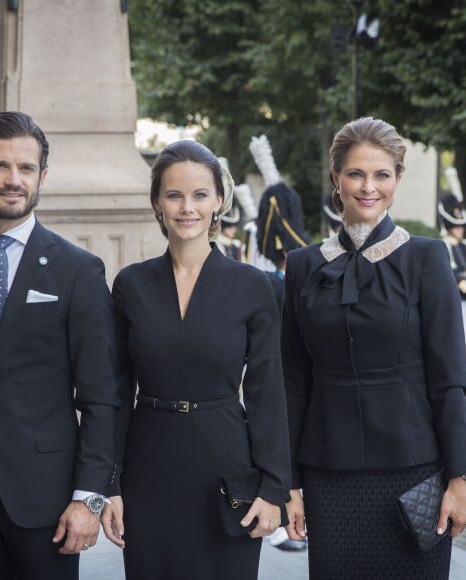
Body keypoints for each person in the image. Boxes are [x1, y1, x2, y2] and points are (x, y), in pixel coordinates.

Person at [0, 111, 119, 580]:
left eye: (26, 168)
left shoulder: (78, 270)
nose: (14, 180)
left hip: (49, 502)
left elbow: (100, 396)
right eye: (0, 166)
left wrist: (88, 497)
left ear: (42, 177)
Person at [282, 117, 466, 579]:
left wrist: (461, 475)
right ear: (336, 178)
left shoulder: (427, 259)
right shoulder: (302, 266)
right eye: (355, 174)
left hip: (415, 474)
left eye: (381, 175)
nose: (368, 187)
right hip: (328, 476)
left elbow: (450, 380)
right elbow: (292, 385)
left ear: (396, 179)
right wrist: (288, 483)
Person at [101, 139, 291, 580]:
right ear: (157, 203)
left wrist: (274, 487)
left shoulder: (252, 286)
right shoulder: (131, 285)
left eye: (200, 195)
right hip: (148, 466)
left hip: (227, 468)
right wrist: (108, 485)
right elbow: (112, 393)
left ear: (218, 201)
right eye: (175, 195)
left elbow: (268, 393)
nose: (188, 208)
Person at [438, 192, 466, 342]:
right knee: (454, 333)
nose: (460, 230)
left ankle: (461, 364)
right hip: (454, 294)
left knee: (464, 331)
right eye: (456, 227)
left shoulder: (464, 245)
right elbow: (452, 273)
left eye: (461, 227)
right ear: (450, 228)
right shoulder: (445, 245)